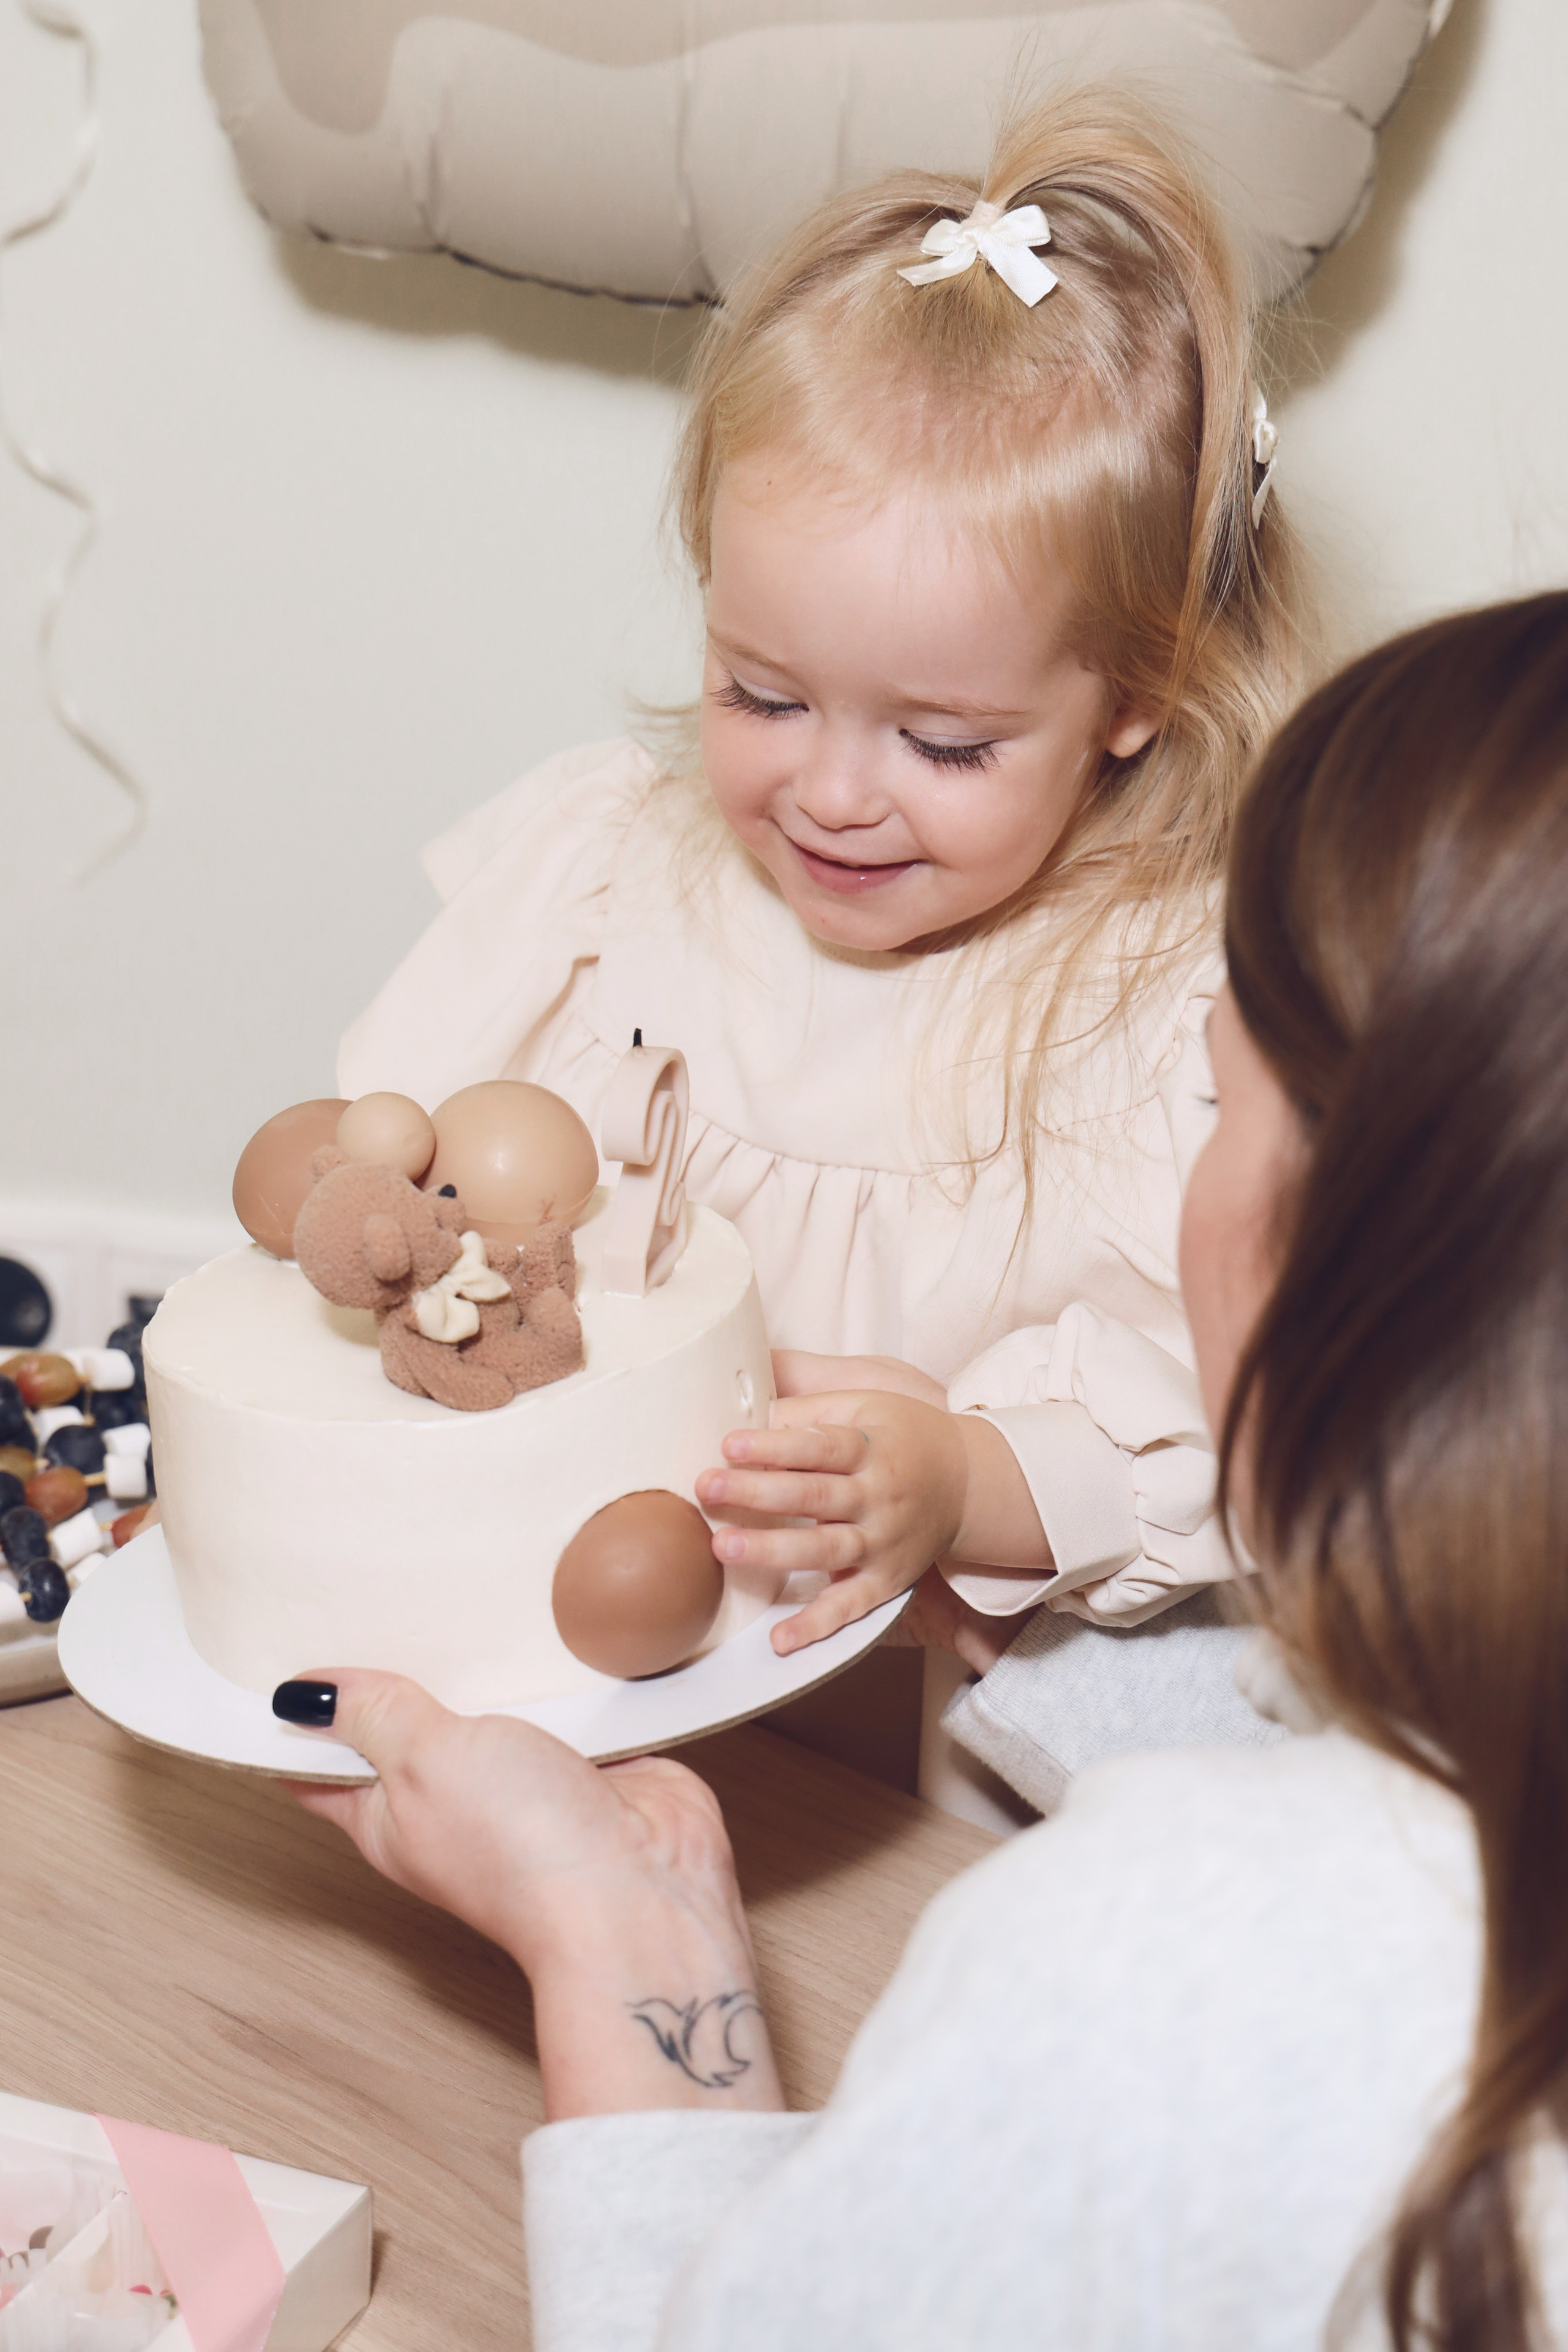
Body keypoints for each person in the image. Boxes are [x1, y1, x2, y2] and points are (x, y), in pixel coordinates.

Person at [287, 595, 1568, 2348]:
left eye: (1213, 1099)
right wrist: (1047, 1620)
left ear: (1360, 1224)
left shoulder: (1148, 1968)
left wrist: (623, 1950)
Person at [337, 93, 1306, 1785]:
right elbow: (390, 1162)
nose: (835, 795)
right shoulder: (612, 886)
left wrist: (954, 1479)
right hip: (542, 1673)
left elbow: (1226, 1440)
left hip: (926, 1746)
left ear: (1135, 698)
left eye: (943, 744)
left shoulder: (1168, 1021)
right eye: (762, 695)